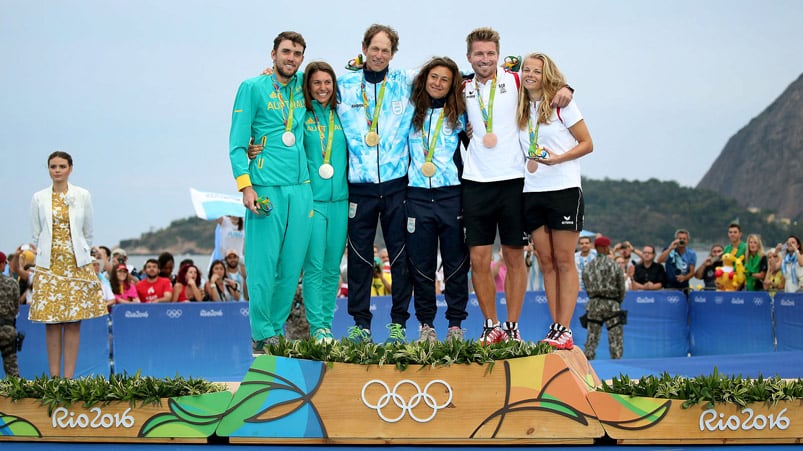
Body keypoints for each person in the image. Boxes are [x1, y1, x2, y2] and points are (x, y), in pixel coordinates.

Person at [229, 31, 313, 349]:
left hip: (301, 188)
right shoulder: (252, 88)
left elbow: (342, 75)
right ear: (273, 54)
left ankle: (274, 331)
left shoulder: (306, 85)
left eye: (297, 53)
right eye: (286, 52)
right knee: (264, 267)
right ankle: (262, 333)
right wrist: (245, 186)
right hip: (265, 187)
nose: (291, 58)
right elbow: (237, 145)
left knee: (291, 268)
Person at [337, 24, 414, 344]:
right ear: (364, 48)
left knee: (400, 257)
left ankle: (398, 323)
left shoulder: (405, 82)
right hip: (360, 186)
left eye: (386, 50)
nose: (379, 55)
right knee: (359, 257)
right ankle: (361, 324)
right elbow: (309, 83)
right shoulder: (344, 84)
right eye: (375, 48)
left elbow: (452, 73)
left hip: (397, 184)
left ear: (393, 54)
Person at [518, 52, 592, 349]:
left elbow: (588, 143)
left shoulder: (562, 103)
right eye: (526, 70)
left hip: (563, 189)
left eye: (536, 70)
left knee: (564, 261)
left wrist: (559, 159)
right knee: (545, 261)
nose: (530, 74)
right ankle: (555, 326)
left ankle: (565, 327)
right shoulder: (520, 106)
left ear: (547, 74)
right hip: (531, 190)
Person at [405, 56, 470, 343]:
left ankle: (455, 324)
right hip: (416, 196)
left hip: (451, 195)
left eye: (445, 79)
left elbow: (478, 151)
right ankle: (426, 325)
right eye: (434, 77)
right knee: (421, 265)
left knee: (456, 264)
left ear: (452, 84)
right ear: (424, 78)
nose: (438, 83)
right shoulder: (409, 112)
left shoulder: (460, 114)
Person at [28, 151, 106, 378]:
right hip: (48, 264)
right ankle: (54, 378)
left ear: (70, 168)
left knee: (73, 322)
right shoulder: (38, 197)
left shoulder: (82, 195)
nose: (57, 170)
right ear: (49, 169)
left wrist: (78, 252)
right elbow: (36, 233)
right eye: (53, 166)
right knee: (51, 322)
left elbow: (88, 232)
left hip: (76, 263)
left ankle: (69, 378)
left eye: (62, 166)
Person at [297, 61, 348, 343]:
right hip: (313, 201)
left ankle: (326, 325)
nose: (322, 88)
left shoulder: (342, 116)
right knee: (314, 266)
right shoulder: (301, 116)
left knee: (332, 267)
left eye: (327, 83)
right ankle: (316, 328)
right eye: (316, 83)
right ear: (308, 86)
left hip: (341, 201)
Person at [581, 236, 626, 360]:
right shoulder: (614, 265)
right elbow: (621, 287)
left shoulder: (588, 267)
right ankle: (617, 363)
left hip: (594, 304)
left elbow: (585, 284)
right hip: (612, 304)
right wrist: (618, 301)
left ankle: (588, 364)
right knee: (615, 338)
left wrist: (593, 297)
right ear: (605, 248)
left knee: (592, 337)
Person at [0, 252, 20, 377]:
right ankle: (15, 395)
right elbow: (16, 309)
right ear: (2, 265)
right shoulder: (12, 283)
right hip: (7, 330)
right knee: (12, 370)